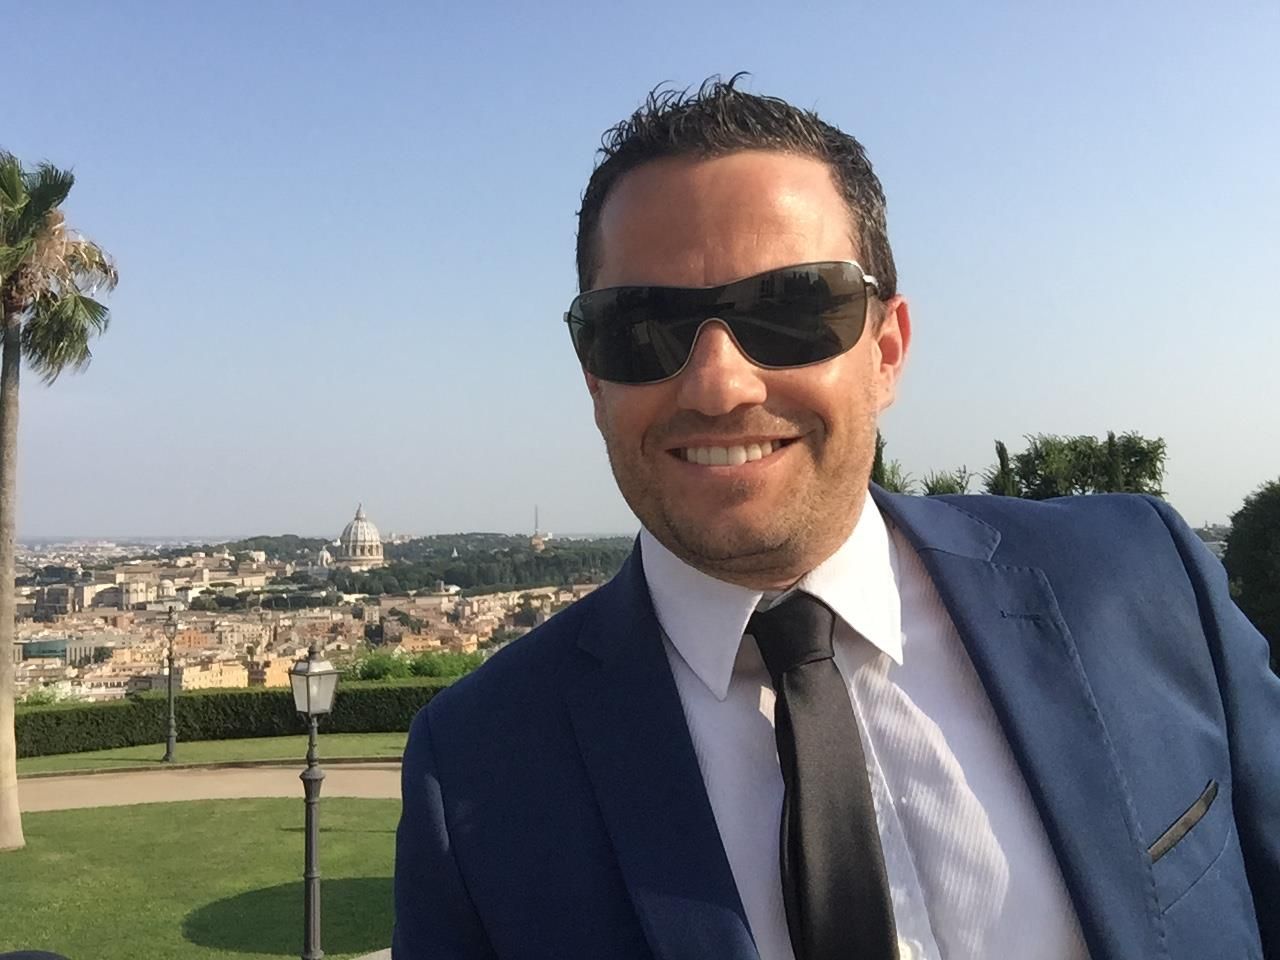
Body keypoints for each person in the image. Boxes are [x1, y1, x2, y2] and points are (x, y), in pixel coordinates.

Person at [392, 77, 1280, 960]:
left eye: (789, 310)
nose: (720, 386)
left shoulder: (1139, 583)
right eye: (642, 328)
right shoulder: (478, 770)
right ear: (594, 379)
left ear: (886, 350)